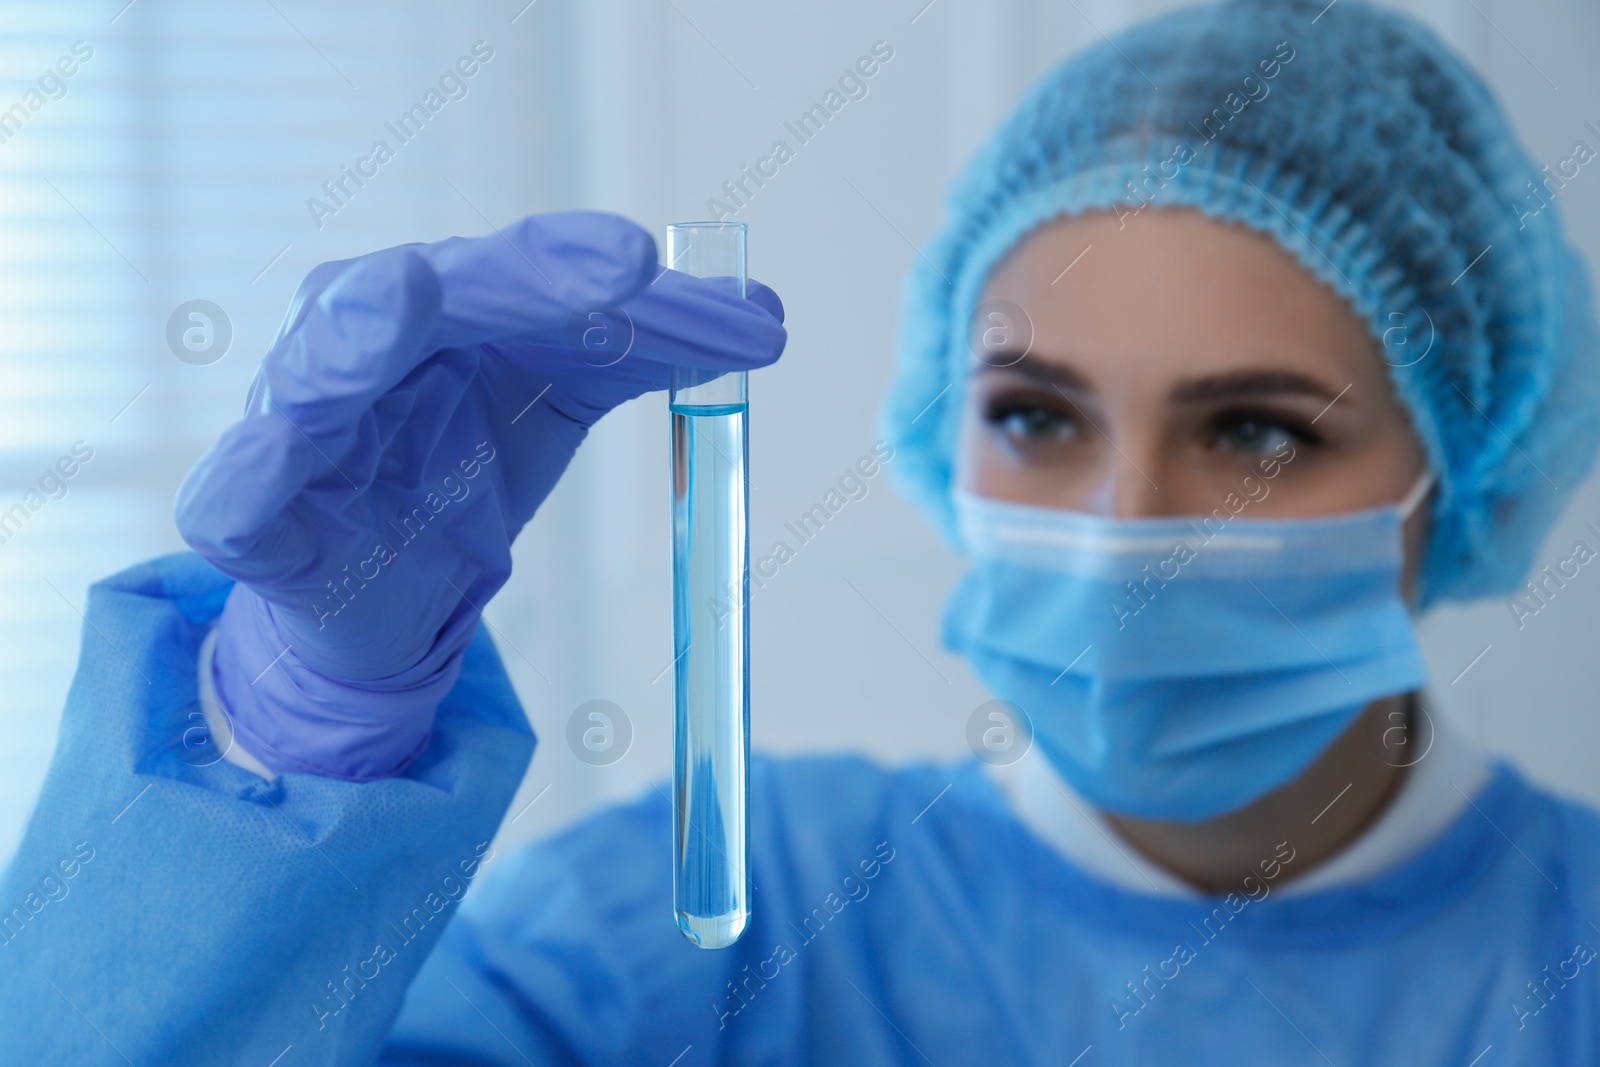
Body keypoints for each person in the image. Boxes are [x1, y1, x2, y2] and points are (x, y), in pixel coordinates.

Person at [4, 0, 1599, 1061]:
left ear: (1465, 462)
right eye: (1038, 416)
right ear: (942, 425)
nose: (1128, 531)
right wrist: (295, 730)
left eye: (1257, 432)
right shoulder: (714, 925)